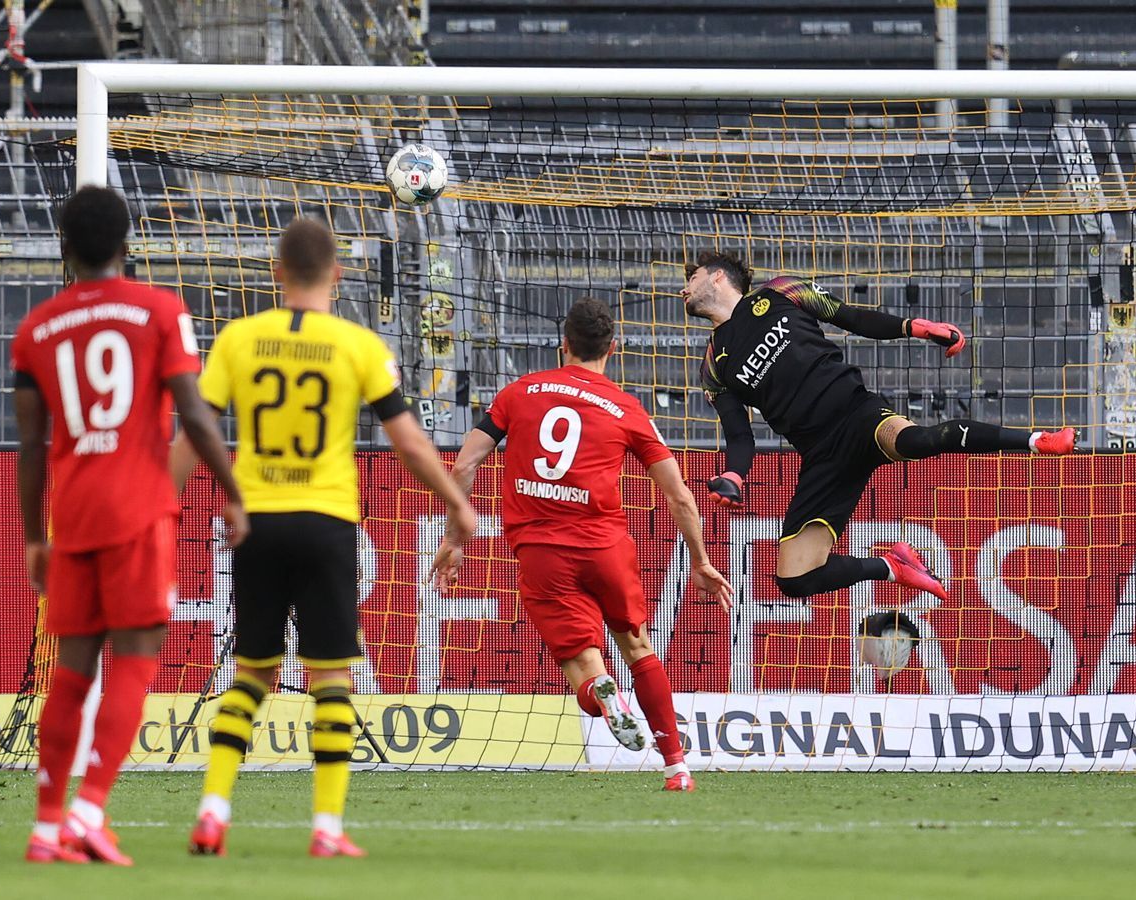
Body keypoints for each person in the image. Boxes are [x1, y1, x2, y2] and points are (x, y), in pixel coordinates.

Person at [175, 216, 477, 859]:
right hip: (327, 522)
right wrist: (458, 500)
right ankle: (327, 828)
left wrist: (157, 502)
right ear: (338, 276)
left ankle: (212, 810)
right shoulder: (357, 346)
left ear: (277, 273)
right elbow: (409, 443)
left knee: (252, 671)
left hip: (254, 521)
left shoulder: (238, 339)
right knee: (331, 679)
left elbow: (194, 434)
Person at [12, 185, 249, 866]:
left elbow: (31, 448)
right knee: (136, 666)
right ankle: (90, 811)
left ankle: (47, 825)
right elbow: (196, 416)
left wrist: (35, 536)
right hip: (139, 509)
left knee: (73, 674)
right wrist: (233, 494)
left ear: (65, 246)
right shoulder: (160, 311)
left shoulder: (36, 330)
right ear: (127, 243)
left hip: (75, 512)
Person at [431, 297, 733, 792]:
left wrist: (454, 540)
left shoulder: (519, 392)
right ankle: (676, 767)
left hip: (543, 550)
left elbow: (464, 465)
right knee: (637, 646)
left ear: (562, 345)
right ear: (612, 349)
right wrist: (699, 560)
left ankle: (600, 692)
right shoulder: (627, 408)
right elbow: (678, 495)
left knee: (582, 661)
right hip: (605, 545)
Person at [682, 250, 1075, 603]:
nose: (684, 288)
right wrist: (733, 475)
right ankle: (891, 566)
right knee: (794, 578)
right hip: (822, 457)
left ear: (717, 276)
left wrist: (918, 328)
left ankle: (1039, 440)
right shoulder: (714, 366)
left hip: (856, 415)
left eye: (692, 277)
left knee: (918, 441)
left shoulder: (781, 292)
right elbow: (739, 434)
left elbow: (850, 317)